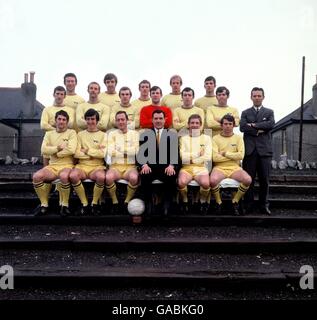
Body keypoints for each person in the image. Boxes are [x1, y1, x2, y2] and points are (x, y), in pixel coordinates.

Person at [33, 110, 77, 216]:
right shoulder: (49, 134)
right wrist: (57, 148)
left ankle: (64, 205)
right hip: (52, 166)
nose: (61, 122)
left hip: (67, 165)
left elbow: (71, 150)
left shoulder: (72, 133)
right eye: (59, 119)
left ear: (67, 122)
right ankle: (44, 204)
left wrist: (55, 153)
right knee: (36, 177)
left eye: (64, 120)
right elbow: (43, 150)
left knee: (64, 176)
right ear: (55, 120)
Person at [240, 87, 275, 215]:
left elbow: (271, 125)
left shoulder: (269, 112)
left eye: (259, 96)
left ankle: (264, 205)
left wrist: (253, 125)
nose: (257, 98)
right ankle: (248, 205)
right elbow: (243, 127)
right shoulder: (245, 112)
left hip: (264, 151)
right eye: (254, 96)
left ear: (263, 97)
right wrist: (260, 129)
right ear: (251, 97)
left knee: (264, 180)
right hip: (250, 151)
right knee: (248, 180)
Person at [137, 109, 179, 215]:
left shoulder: (172, 135)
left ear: (165, 120)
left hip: (165, 167)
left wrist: (172, 165)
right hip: (150, 167)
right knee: (144, 175)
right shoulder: (145, 134)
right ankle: (149, 205)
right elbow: (141, 153)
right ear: (152, 120)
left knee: (171, 175)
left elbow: (175, 154)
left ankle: (166, 206)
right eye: (156, 118)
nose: (158, 121)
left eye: (161, 118)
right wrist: (144, 164)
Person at [210, 114, 252, 215]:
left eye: (230, 124)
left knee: (248, 180)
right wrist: (233, 155)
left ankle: (235, 201)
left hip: (235, 168)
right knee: (212, 180)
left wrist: (225, 153)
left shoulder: (238, 138)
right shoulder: (215, 139)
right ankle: (219, 202)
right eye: (225, 124)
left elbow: (241, 155)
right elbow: (214, 157)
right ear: (221, 125)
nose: (228, 126)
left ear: (233, 125)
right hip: (219, 168)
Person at [69, 109, 107, 216]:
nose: (90, 121)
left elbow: (103, 154)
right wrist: (92, 154)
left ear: (97, 120)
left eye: (93, 119)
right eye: (88, 119)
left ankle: (94, 204)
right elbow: (76, 153)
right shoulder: (80, 134)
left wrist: (87, 151)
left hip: (97, 166)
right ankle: (84, 203)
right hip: (82, 166)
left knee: (101, 177)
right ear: (85, 120)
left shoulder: (103, 135)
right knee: (73, 175)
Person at [105, 111, 139, 213]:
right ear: (115, 122)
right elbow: (110, 151)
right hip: (115, 166)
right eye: (118, 120)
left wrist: (120, 149)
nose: (120, 122)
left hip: (130, 166)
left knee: (134, 177)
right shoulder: (111, 134)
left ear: (127, 121)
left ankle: (126, 202)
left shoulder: (135, 134)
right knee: (108, 177)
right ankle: (115, 202)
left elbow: (136, 151)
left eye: (122, 119)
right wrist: (127, 151)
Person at [178, 114, 212, 214]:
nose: (194, 125)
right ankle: (185, 201)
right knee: (181, 183)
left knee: (206, 184)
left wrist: (192, 159)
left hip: (200, 168)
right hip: (186, 168)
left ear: (201, 125)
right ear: (188, 124)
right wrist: (197, 154)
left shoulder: (206, 138)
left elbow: (207, 156)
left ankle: (202, 202)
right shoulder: (183, 139)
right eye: (192, 123)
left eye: (197, 123)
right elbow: (182, 156)